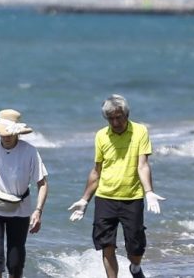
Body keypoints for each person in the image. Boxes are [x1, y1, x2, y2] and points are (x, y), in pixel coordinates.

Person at [67, 94, 165, 278]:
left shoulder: (140, 131)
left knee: (135, 246)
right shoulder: (101, 136)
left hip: (132, 197)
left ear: (126, 114)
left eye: (118, 117)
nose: (115, 122)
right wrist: (84, 199)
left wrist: (149, 192)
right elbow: (97, 170)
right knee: (107, 245)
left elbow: (142, 165)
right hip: (105, 197)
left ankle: (135, 268)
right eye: (110, 118)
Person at [0, 109, 49, 278]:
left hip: (20, 210)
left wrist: (38, 211)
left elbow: (42, 183)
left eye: (9, 133)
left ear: (17, 133)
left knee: (16, 262)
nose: (5, 136)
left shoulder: (30, 152)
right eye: (2, 133)